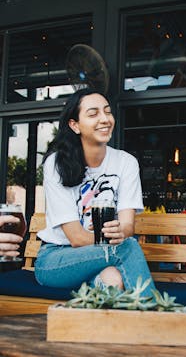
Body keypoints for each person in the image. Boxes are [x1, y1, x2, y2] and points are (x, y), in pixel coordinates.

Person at [34, 88, 156, 297]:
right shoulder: (56, 163)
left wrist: (120, 232)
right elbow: (77, 238)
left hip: (102, 257)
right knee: (128, 247)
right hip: (56, 259)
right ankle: (157, 318)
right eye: (93, 114)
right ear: (75, 125)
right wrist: (118, 240)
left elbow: (127, 226)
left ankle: (115, 328)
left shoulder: (126, 162)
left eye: (107, 112)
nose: (104, 119)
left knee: (113, 281)